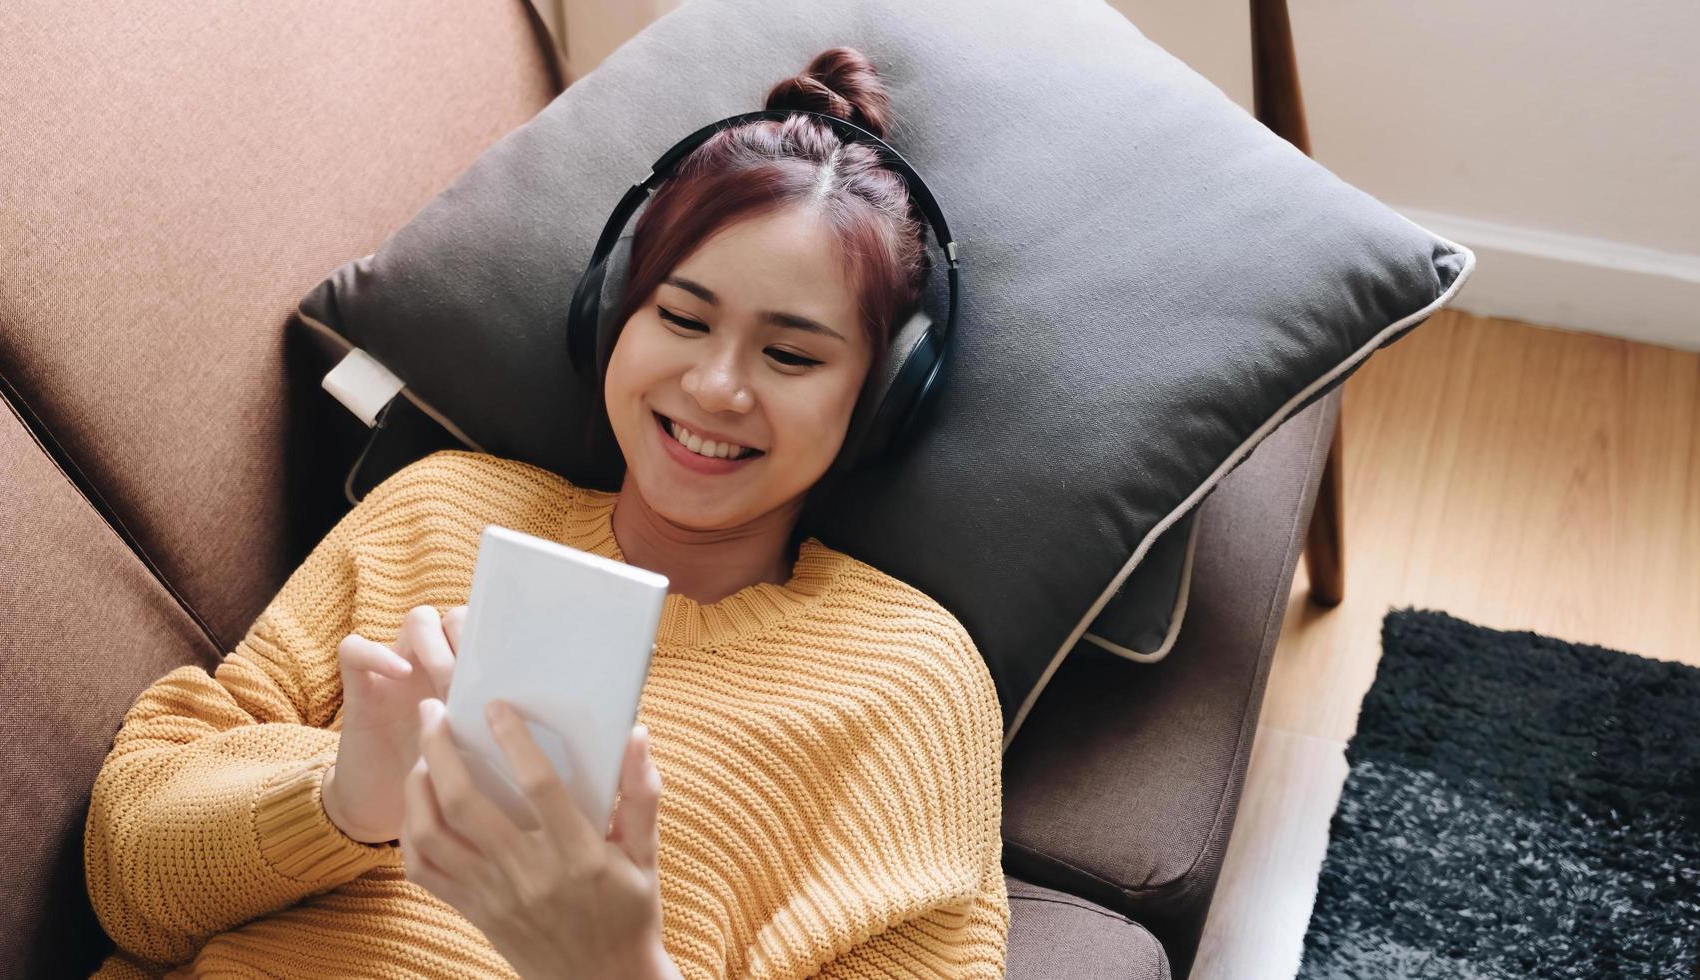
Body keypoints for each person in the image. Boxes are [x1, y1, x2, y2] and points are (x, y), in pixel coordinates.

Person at [83, 46, 1008, 979]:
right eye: (682, 320)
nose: (715, 387)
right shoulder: (438, 512)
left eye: (792, 357)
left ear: (884, 396)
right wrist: (339, 801)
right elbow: (131, 888)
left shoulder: (909, 682)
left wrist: (619, 968)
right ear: (611, 314)